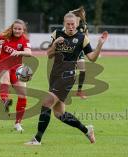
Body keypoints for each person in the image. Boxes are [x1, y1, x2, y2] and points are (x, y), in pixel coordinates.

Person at [25, 12, 108, 145]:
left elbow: (92, 58)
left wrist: (99, 45)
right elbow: (49, 54)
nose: (70, 26)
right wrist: (55, 43)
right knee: (60, 114)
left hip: (68, 76)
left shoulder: (82, 38)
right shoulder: (57, 34)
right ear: (64, 24)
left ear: (77, 24)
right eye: (68, 24)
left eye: (73, 24)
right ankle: (87, 130)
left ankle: (37, 139)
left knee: (46, 103)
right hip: (54, 75)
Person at [0, 19, 32, 132]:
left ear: (23, 30)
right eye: (15, 28)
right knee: (5, 80)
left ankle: (17, 123)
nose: (17, 31)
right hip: (2, 66)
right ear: (12, 28)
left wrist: (20, 52)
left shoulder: (24, 40)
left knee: (22, 95)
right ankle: (5, 100)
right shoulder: (5, 36)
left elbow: (29, 53)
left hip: (16, 69)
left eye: (19, 29)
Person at [70, 6, 89, 99]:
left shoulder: (84, 25)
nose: (84, 14)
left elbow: (86, 38)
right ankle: (62, 91)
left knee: (82, 70)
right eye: (83, 13)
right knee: (70, 74)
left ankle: (79, 91)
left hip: (80, 51)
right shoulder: (71, 24)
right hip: (70, 50)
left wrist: (87, 49)